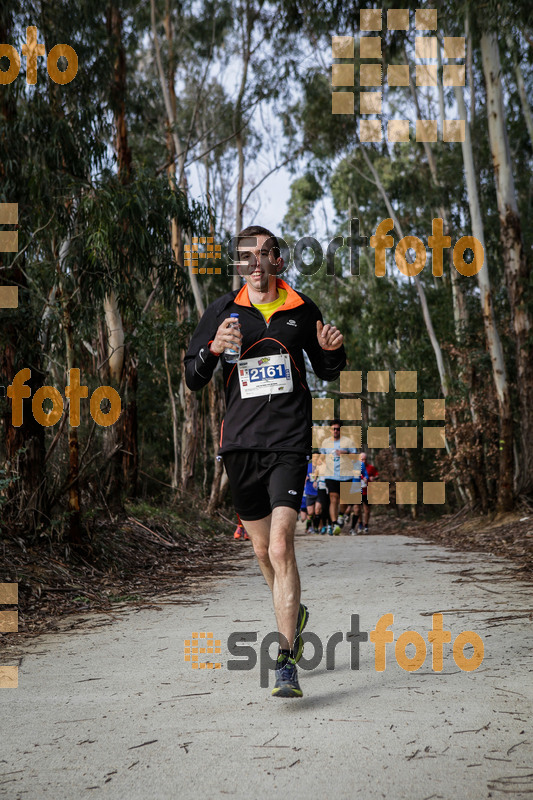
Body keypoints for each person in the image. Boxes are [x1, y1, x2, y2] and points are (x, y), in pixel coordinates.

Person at [184, 225, 346, 698]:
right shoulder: (223, 311)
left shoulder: (301, 309)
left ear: (278, 261)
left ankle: (286, 660)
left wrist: (334, 351)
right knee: (259, 552)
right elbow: (194, 377)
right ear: (239, 265)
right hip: (240, 445)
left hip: (289, 443)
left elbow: (327, 367)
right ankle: (293, 615)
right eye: (247, 256)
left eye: (266, 254)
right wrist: (213, 349)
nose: (257, 263)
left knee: (280, 548)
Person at [319, 420, 359, 534]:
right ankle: (335, 522)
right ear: (330, 430)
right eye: (333, 429)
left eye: (338, 429)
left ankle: (341, 515)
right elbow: (322, 456)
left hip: (346, 475)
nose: (335, 431)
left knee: (344, 500)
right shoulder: (325, 443)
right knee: (333, 498)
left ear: (341, 430)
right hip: (331, 475)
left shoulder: (348, 442)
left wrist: (344, 453)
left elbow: (355, 457)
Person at [350, 453, 379, 533]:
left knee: (367, 510)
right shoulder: (355, 466)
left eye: (365, 459)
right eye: (362, 459)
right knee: (357, 509)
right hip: (358, 491)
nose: (364, 461)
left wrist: (373, 478)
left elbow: (377, 475)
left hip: (368, 491)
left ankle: (366, 525)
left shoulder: (371, 467)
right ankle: (359, 524)